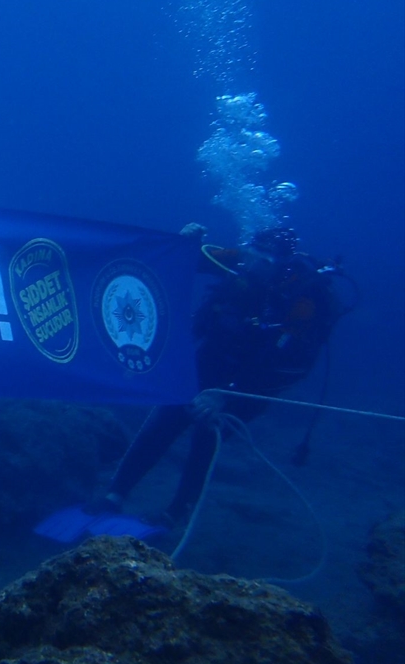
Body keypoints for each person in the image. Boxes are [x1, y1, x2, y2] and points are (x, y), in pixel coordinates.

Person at [92, 223, 344, 529]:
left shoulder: (303, 298)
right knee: (166, 419)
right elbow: (192, 261)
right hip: (214, 359)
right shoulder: (240, 261)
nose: (253, 266)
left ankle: (176, 511)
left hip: (257, 380)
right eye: (251, 255)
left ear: (282, 264)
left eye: (264, 261)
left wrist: (230, 393)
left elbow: (288, 361)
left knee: (207, 435)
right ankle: (115, 495)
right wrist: (185, 243)